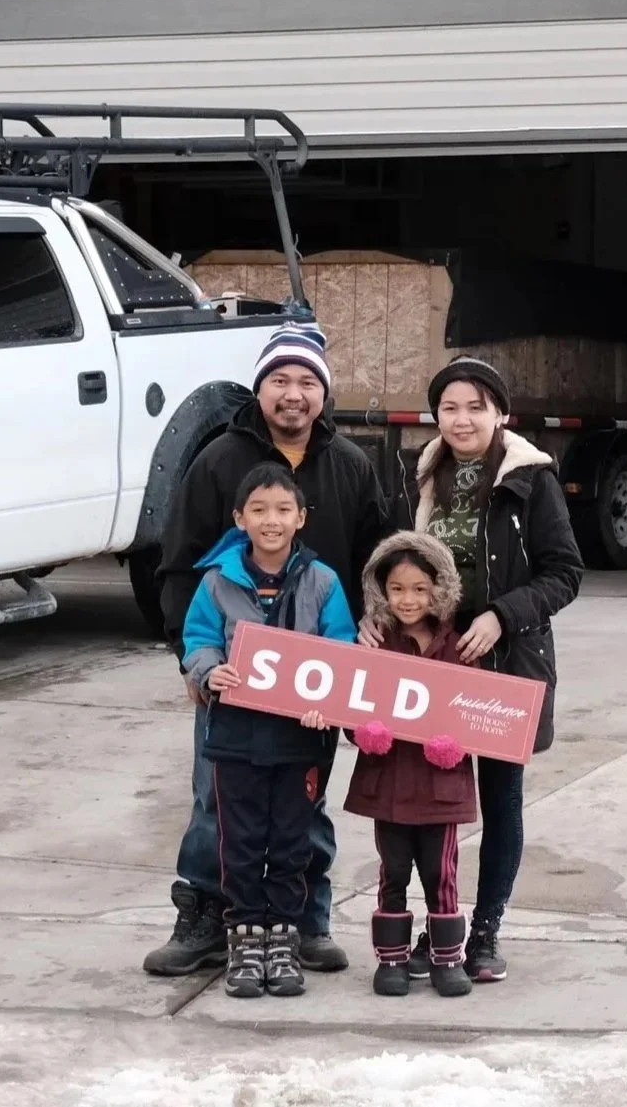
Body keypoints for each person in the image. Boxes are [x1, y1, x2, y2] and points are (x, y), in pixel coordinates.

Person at [144, 323, 402, 978]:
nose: (293, 394)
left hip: (315, 680)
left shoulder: (350, 464)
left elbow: (382, 554)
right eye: (280, 380)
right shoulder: (218, 462)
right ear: (259, 387)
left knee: (304, 798)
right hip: (230, 679)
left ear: (324, 392)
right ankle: (203, 916)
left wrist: (373, 622)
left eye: (307, 382)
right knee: (215, 798)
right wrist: (191, 659)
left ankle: (306, 919)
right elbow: (178, 566)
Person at [406, 356, 583, 984]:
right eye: (450, 407)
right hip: (436, 660)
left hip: (507, 662)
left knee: (500, 800)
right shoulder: (424, 475)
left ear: (501, 413)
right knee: (435, 804)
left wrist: (503, 617)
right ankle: (442, 927)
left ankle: (484, 934)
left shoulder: (530, 480)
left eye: (476, 407)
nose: (461, 419)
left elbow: (565, 573)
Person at [178, 464, 357, 1000]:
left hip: (300, 742)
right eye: (258, 510)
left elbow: (340, 649)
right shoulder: (216, 581)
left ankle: (284, 937)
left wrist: (328, 702)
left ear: (301, 518)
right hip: (234, 737)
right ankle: (244, 937)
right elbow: (198, 638)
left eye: (283, 510)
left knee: (290, 843)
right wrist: (209, 670)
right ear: (240, 518)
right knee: (240, 843)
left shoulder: (323, 582)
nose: (271, 520)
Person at [344, 531, 479, 999]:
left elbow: (481, 716)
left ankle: (447, 960)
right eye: (397, 589)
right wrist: (365, 731)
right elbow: (350, 709)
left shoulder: (460, 649)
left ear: (439, 590)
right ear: (381, 591)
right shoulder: (374, 645)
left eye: (420, 589)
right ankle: (392, 961)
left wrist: (457, 743)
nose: (408, 599)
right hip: (390, 789)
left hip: (441, 792)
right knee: (393, 871)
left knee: (442, 874)